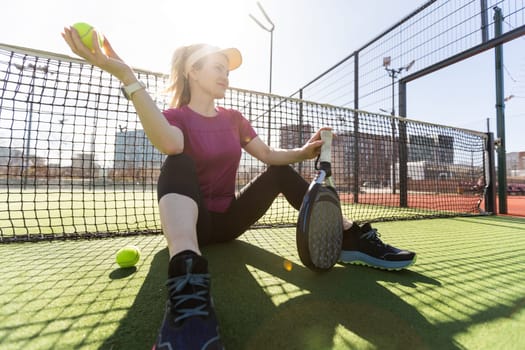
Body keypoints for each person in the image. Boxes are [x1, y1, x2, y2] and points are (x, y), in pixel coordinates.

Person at [62, 27, 416, 350]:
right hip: (192, 227)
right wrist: (126, 75)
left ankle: (349, 238)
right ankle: (188, 285)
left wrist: (304, 152)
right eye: (216, 66)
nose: (224, 74)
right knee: (178, 159)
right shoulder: (175, 118)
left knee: (278, 170)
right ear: (192, 71)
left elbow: (268, 154)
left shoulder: (234, 119)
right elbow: (168, 144)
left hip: (230, 221)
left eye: (227, 69)